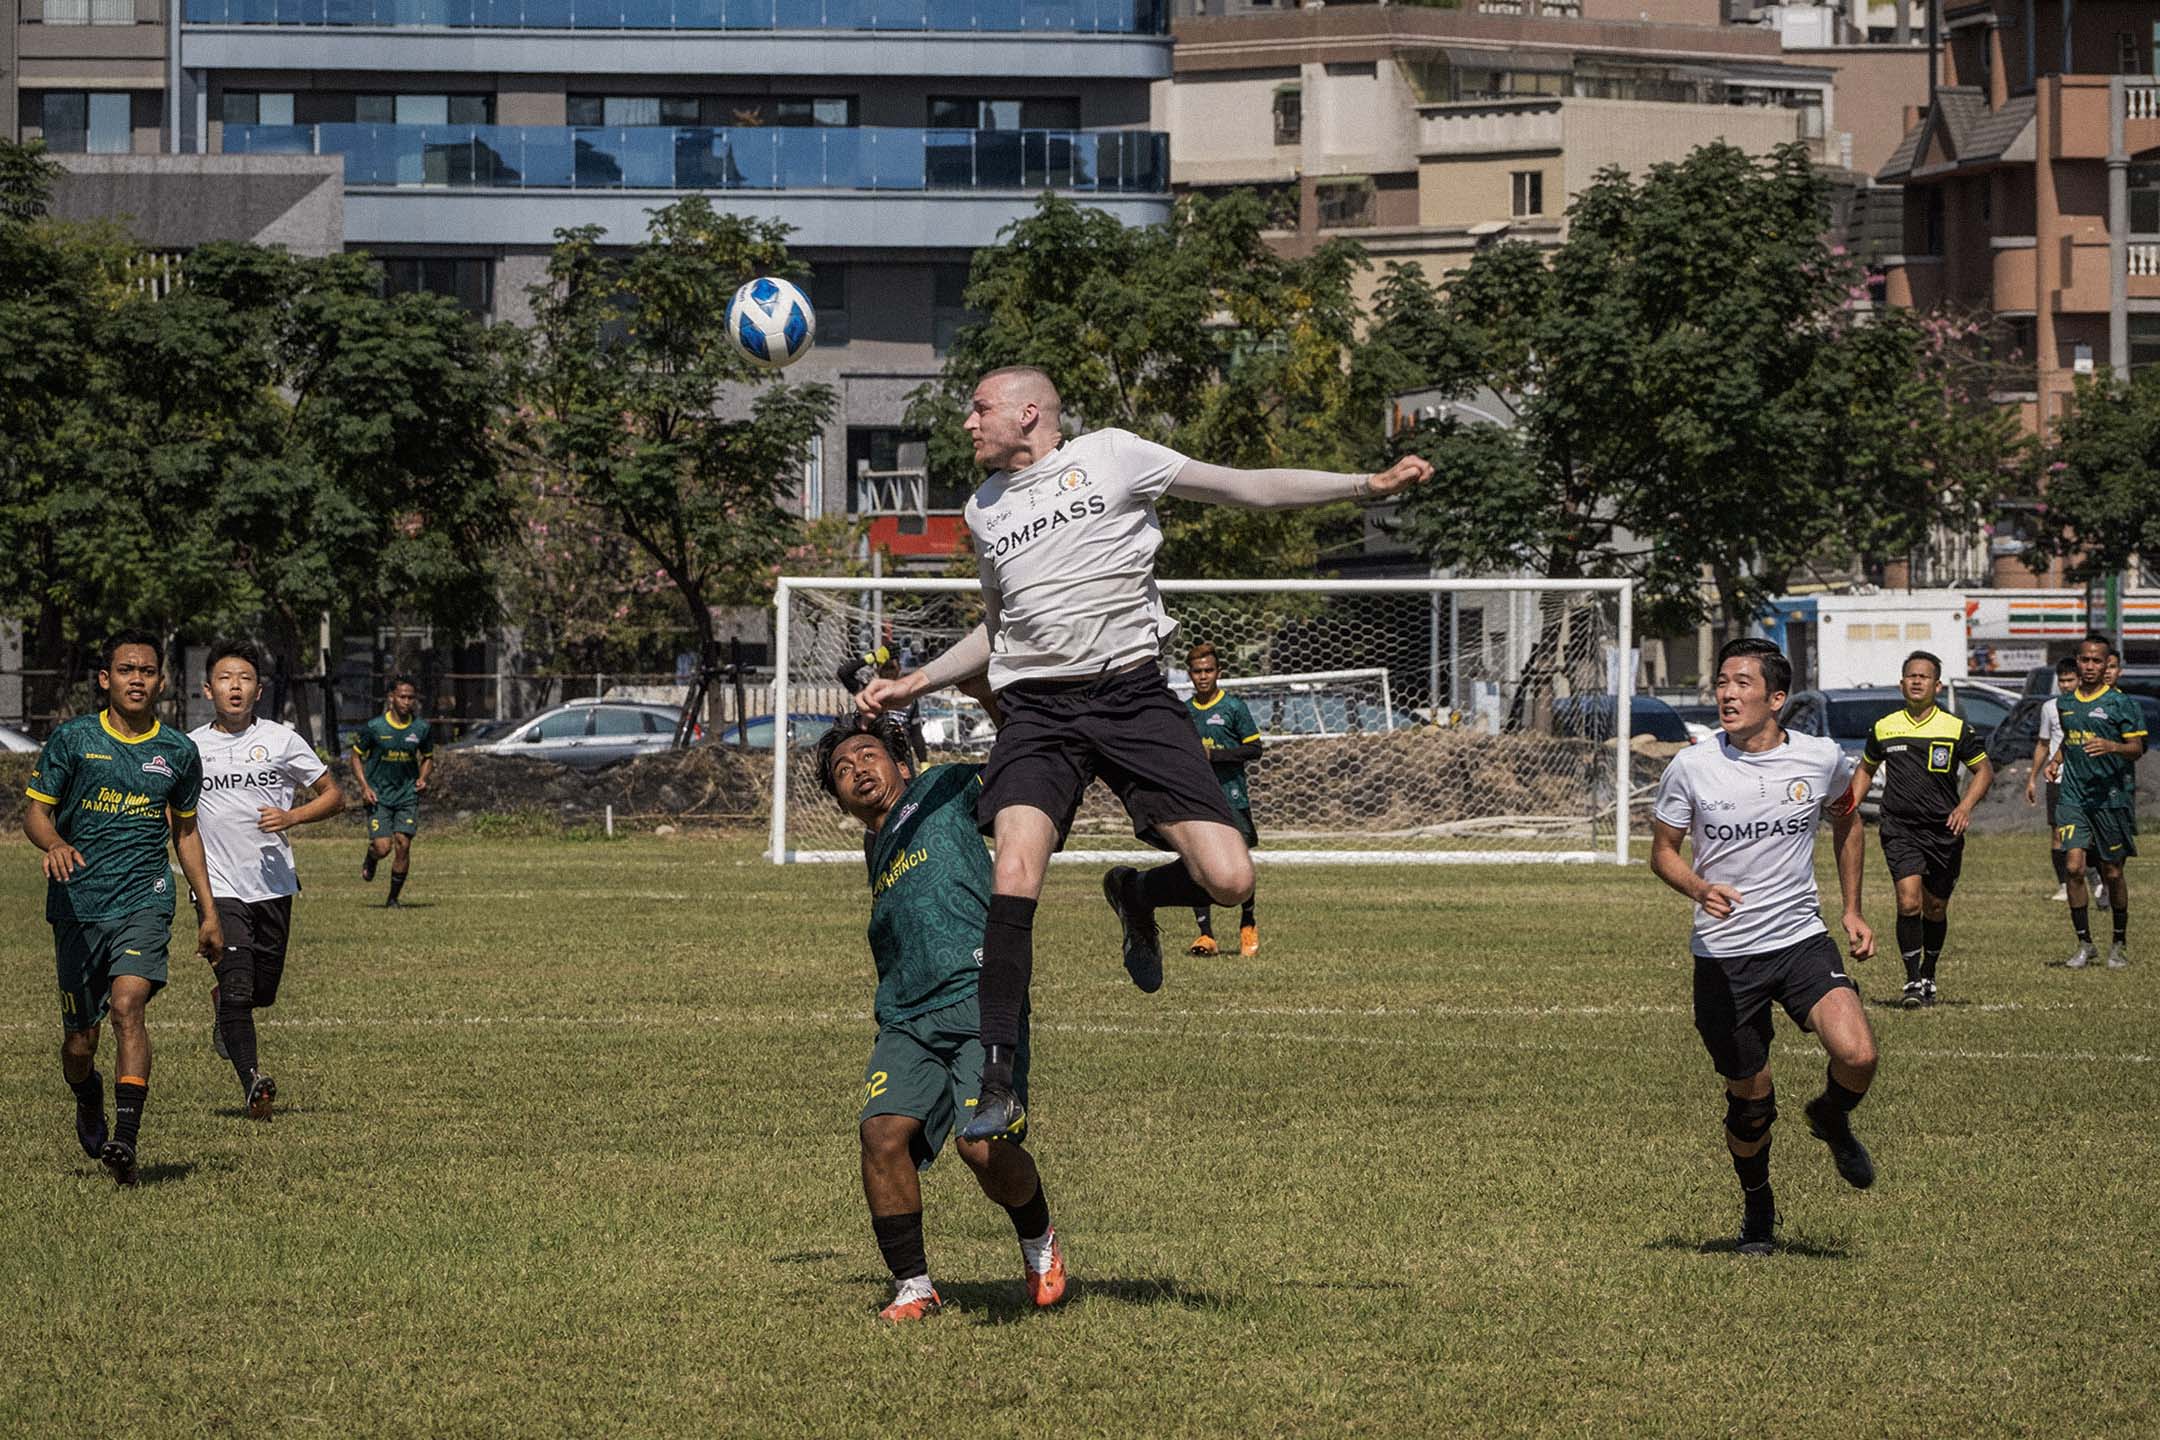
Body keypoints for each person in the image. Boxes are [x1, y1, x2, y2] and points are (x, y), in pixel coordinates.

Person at [857, 366, 1433, 1142]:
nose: (967, 422)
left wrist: (1365, 485)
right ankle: (995, 1079)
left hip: (1132, 697)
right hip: (1040, 711)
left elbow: (1248, 487)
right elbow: (1002, 629)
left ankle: (1134, 895)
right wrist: (917, 682)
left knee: (1230, 880)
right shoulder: (983, 509)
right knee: (1014, 868)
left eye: (979, 407)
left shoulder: (1115, 455)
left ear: (1029, 412)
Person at [815, 714, 1065, 1322]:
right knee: (880, 1134)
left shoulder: (946, 789)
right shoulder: (877, 843)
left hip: (980, 994)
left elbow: (1021, 782)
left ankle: (1040, 1241)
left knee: (982, 1148)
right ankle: (914, 1286)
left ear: (903, 764)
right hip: (905, 1013)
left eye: (868, 756)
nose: (857, 772)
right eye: (843, 771)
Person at [1650, 637, 1880, 1257]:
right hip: (1725, 956)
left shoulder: (1820, 757)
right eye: (1722, 682)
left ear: (1776, 698)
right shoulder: (1692, 767)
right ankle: (1759, 1213)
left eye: (1742, 683)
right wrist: (1701, 886)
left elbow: (1848, 817)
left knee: (1857, 1054)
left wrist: (1852, 908)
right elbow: (1663, 852)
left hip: (1801, 939)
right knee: (1751, 1104)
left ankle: (1831, 1116)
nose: (1727, 693)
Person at [22, 631, 221, 1186]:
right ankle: (88, 1099)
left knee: (128, 1007)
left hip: (145, 898)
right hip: (78, 904)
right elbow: (36, 814)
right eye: (126, 669)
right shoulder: (73, 740)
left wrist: (207, 910)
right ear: (105, 679)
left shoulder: (178, 751)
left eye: (148, 670)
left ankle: (126, 1141)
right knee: (80, 1043)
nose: (138, 679)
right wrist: (55, 843)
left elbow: (185, 834)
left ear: (161, 681)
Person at [190, 640, 346, 1119]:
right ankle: (253, 1081)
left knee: (262, 992)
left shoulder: (281, 740)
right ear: (207, 688)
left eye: (244, 679)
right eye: (225, 678)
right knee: (239, 988)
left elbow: (333, 796)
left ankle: (225, 1006)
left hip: (274, 884)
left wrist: (292, 817)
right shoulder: (190, 748)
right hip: (218, 886)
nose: (234, 687)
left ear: (258, 691)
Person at [1845, 651, 1992, 1008]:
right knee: (1909, 901)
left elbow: (1984, 771)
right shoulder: (1884, 727)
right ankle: (1911, 981)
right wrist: (1846, 805)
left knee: (1935, 907)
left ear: (1937, 685)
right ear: (1901, 683)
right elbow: (1866, 768)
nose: (1916, 681)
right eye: (1910, 676)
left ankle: (1929, 972)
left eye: (1924, 677)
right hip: (1900, 827)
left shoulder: (1955, 728)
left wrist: (1964, 806)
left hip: (1943, 830)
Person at [2049, 634, 2145, 970]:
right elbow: (2072, 741)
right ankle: (2084, 944)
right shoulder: (2065, 703)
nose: (2090, 666)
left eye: (2097, 661)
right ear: (2077, 661)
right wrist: (2056, 760)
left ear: (2107, 665)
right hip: (2074, 797)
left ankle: (2118, 943)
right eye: (2085, 660)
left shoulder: (2122, 704)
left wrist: (2113, 746)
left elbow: (2137, 748)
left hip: (2111, 799)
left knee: (2113, 872)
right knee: (2074, 867)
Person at [1182, 643, 1263, 957]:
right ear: (1190, 674)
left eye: (1208, 671)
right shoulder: (1184, 712)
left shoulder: (1233, 708)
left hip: (1232, 796)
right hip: (1198, 797)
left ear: (1218, 673)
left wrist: (1214, 756)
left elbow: (1254, 749)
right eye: (1197, 671)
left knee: (1240, 861)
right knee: (1197, 863)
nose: (1203, 677)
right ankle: (1205, 935)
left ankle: (1248, 924)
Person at [350, 675, 434, 908]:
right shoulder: (375, 727)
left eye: (411, 697)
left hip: (407, 795)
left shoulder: (421, 728)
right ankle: (372, 856)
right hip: (379, 795)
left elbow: (428, 758)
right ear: (391, 698)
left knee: (403, 844)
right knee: (383, 847)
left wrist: (423, 778)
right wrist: (364, 786)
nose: (407, 702)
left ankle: (393, 898)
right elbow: (355, 756)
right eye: (402, 697)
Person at [2026, 657, 2081, 901]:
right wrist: (2032, 777)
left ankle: (2095, 878)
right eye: (2063, 680)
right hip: (2057, 779)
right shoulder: (2049, 708)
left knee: (2088, 833)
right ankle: (2064, 886)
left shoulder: (2089, 706)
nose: (2066, 685)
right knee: (2058, 833)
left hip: (2084, 778)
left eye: (2071, 680)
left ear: (2080, 680)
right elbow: (2043, 743)